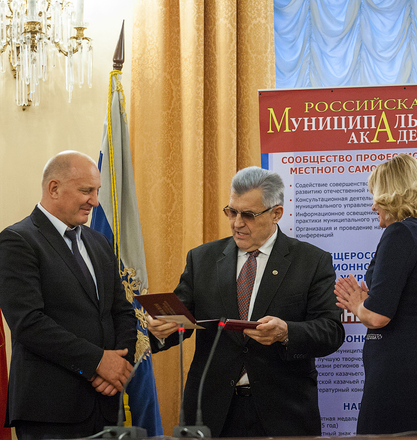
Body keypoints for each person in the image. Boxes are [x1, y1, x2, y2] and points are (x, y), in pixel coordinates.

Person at [148, 166, 345, 438]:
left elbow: (331, 331)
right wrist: (160, 329)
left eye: (248, 215)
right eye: (232, 212)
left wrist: (286, 332)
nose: (237, 223)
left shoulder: (311, 262)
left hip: (283, 413)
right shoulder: (202, 259)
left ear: (276, 213)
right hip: (212, 414)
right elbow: (179, 322)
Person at [0, 151, 137, 440]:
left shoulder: (99, 243)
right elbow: (29, 323)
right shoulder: (17, 241)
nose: (95, 201)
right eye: (86, 191)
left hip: (107, 405)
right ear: (54, 188)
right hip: (50, 410)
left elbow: (122, 312)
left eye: (97, 191)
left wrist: (119, 367)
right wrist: (98, 362)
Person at [334, 153, 417, 435]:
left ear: (392, 194)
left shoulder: (400, 233)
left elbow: (377, 317)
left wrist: (357, 304)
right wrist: (371, 300)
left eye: (377, 195)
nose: (373, 205)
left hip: (398, 382)